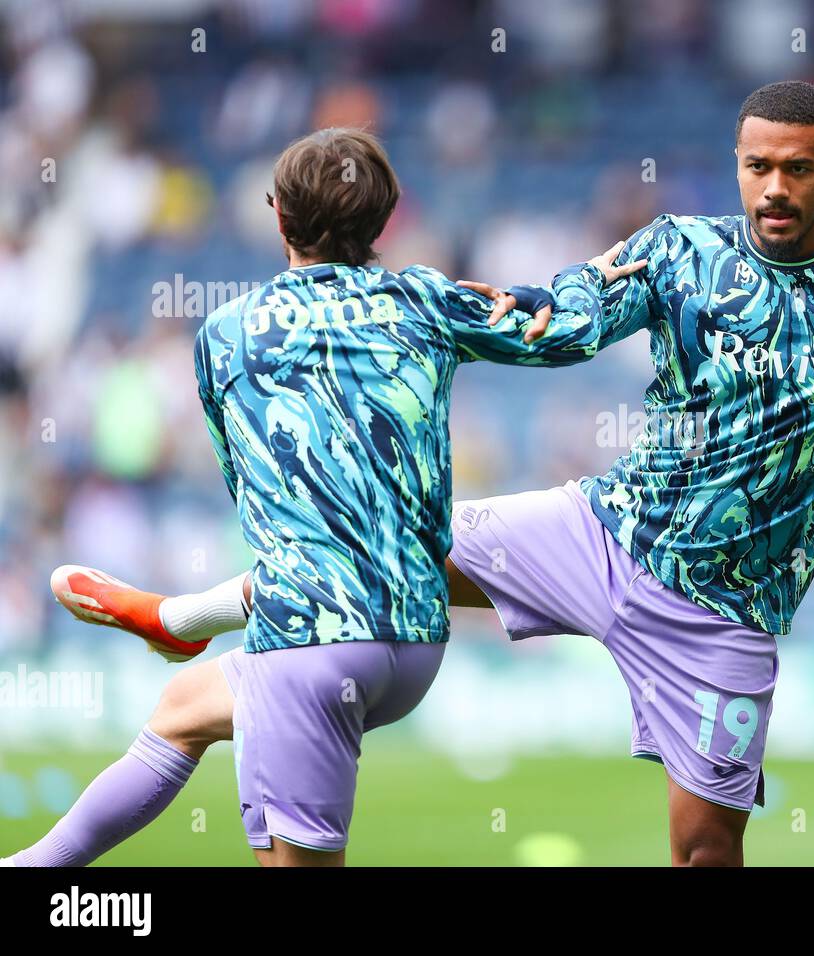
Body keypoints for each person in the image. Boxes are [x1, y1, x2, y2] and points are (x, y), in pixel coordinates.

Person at [15, 80, 814, 868]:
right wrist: (444, 304)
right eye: (755, 166)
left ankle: (183, 630)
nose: (772, 187)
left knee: (704, 853)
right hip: (601, 532)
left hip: (725, 609)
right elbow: (565, 322)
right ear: (738, 165)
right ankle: (184, 611)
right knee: (385, 535)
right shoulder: (679, 252)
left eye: (796, 168)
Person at [2, 126, 644, 868]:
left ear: (278, 217)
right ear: (384, 221)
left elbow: (246, 483)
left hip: (309, 643)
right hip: (415, 637)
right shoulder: (427, 300)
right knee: (184, 711)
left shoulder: (224, 333)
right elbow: (560, 332)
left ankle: (183, 618)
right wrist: (594, 275)